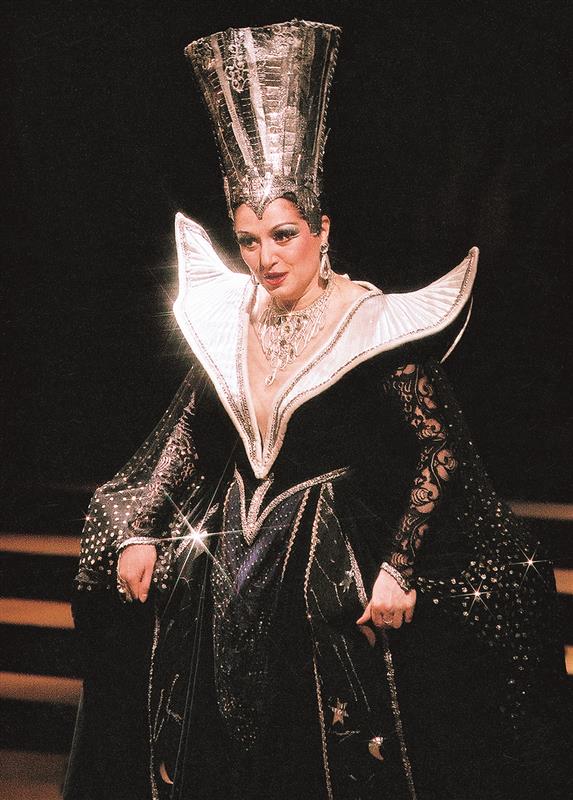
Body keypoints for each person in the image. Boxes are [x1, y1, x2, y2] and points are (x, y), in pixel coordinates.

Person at [65, 20, 568, 800]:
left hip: (331, 566)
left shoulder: (368, 322)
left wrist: (398, 566)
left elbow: (438, 451)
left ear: (321, 230)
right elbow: (194, 428)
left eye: (282, 235)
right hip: (227, 555)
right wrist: (141, 526)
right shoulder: (231, 318)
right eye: (247, 241)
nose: (266, 259)